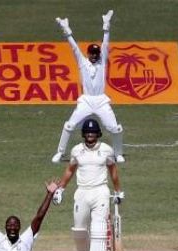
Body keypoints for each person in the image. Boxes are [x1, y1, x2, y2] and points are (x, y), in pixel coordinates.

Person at [52, 118, 123, 251]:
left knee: (98, 228)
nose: (90, 135)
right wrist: (60, 189)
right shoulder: (77, 150)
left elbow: (113, 171)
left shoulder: (106, 150)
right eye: (88, 133)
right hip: (82, 192)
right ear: (84, 134)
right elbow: (70, 170)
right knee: (79, 230)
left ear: (98, 134)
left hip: (100, 192)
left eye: (93, 132)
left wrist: (118, 191)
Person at [52, 10, 125, 164]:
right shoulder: (82, 62)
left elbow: (106, 45)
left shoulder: (102, 62)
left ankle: (118, 154)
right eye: (92, 53)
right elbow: (74, 48)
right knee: (69, 126)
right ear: (88, 53)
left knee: (115, 128)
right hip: (86, 101)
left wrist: (106, 27)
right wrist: (67, 31)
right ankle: (60, 153)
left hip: (101, 101)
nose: (94, 55)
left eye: (96, 53)